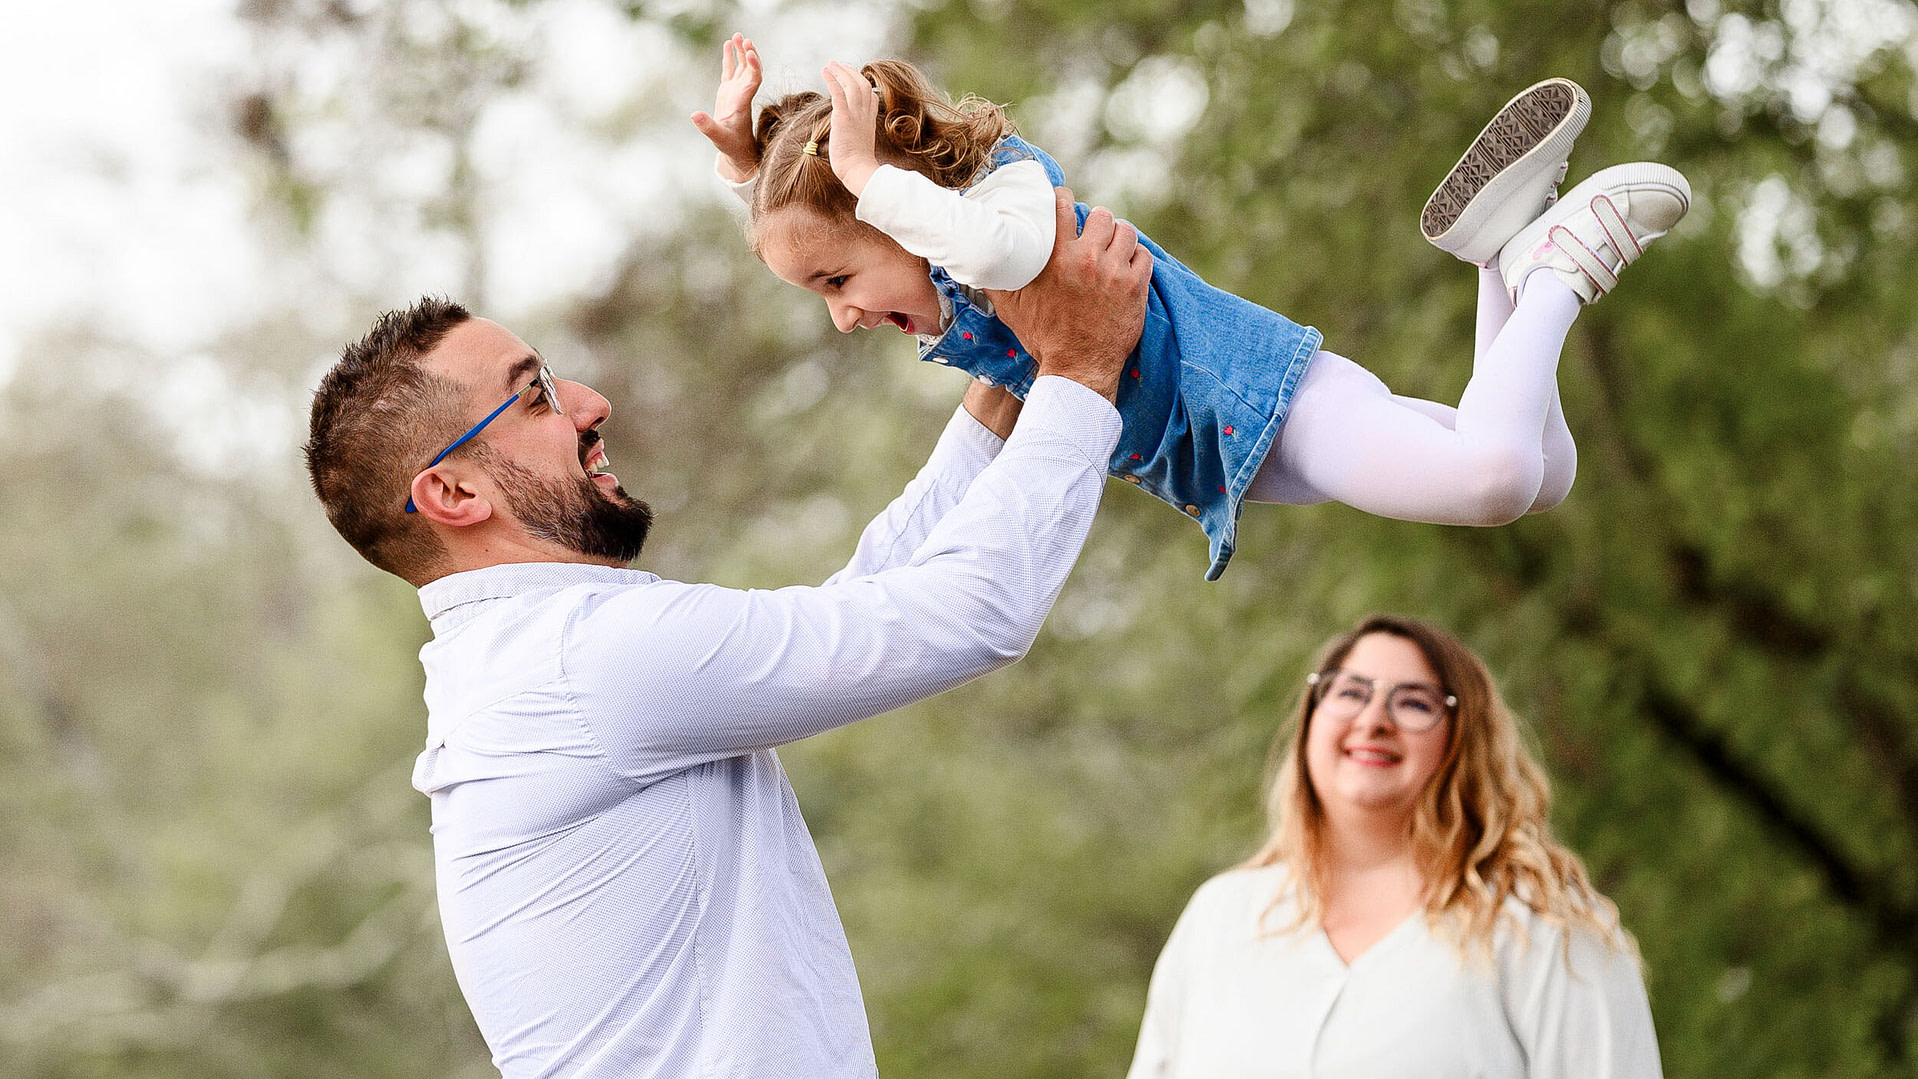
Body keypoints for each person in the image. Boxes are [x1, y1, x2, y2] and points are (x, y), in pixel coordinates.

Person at [301, 190, 1151, 1077]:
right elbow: (968, 613)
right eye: (535, 396)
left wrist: (1010, 373)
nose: (591, 403)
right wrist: (1080, 362)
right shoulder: (579, 659)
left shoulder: (527, 662)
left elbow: (865, 606)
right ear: (453, 493)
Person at [692, 35, 1691, 579]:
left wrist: (863, 176)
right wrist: (758, 164)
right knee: (1544, 471)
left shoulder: (1005, 206)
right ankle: (1498, 258)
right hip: (1259, 442)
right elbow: (823, 218)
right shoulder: (942, 271)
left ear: (894, 199)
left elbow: (987, 248)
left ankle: (1556, 271)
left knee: (1494, 476)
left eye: (837, 283)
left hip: (1279, 404)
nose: (842, 318)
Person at [1125, 615, 1662, 1078]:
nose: (1373, 720)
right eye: (1349, 692)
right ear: (1310, 719)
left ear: (1463, 739)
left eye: (1413, 702)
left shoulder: (1545, 932)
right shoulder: (1220, 919)